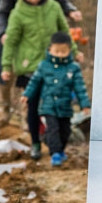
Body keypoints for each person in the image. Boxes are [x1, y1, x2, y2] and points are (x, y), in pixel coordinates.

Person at [1, 0, 76, 160]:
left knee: (57, 106)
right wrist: (6, 65)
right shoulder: (18, 13)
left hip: (55, 65)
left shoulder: (54, 7)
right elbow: (11, 41)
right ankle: (35, 142)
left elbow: (64, 31)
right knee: (33, 108)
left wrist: (74, 51)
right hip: (30, 67)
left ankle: (57, 145)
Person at [21, 31, 90, 166]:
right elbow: (34, 82)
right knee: (52, 129)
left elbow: (80, 87)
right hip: (48, 106)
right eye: (57, 51)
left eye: (63, 51)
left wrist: (85, 104)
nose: (60, 54)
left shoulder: (73, 68)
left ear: (69, 51)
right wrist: (27, 95)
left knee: (65, 131)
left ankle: (61, 150)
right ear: (50, 50)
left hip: (65, 106)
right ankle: (55, 153)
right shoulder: (44, 66)